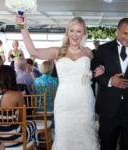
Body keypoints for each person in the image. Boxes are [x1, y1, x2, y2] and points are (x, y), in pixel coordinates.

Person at [16, 15, 102, 150]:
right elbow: (33, 51)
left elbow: (98, 66)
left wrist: (101, 68)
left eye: (79, 31)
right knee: (64, 136)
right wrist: (23, 27)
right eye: (72, 30)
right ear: (67, 32)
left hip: (84, 100)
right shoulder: (57, 51)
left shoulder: (88, 52)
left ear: (84, 34)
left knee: (85, 135)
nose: (75, 35)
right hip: (64, 102)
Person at [92, 18, 128, 150]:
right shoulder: (103, 50)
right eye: (125, 33)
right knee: (107, 145)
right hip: (109, 108)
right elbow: (94, 73)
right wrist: (111, 80)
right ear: (117, 31)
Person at [0, 65, 38, 147]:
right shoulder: (17, 95)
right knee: (33, 124)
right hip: (14, 138)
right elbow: (22, 119)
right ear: (12, 77)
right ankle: (36, 147)